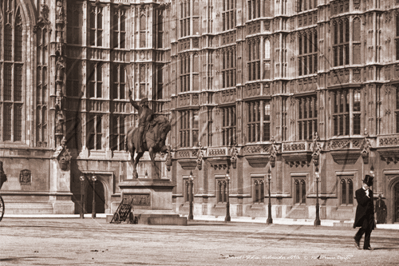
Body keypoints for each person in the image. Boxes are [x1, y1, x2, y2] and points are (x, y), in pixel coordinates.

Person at [353, 175, 375, 250]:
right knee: (365, 227)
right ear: (363, 184)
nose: (367, 186)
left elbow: (371, 203)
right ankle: (357, 237)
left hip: (370, 213)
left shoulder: (371, 192)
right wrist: (367, 196)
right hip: (362, 214)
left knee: (369, 229)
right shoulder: (358, 192)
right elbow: (361, 202)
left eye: (368, 185)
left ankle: (366, 245)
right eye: (366, 184)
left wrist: (373, 213)